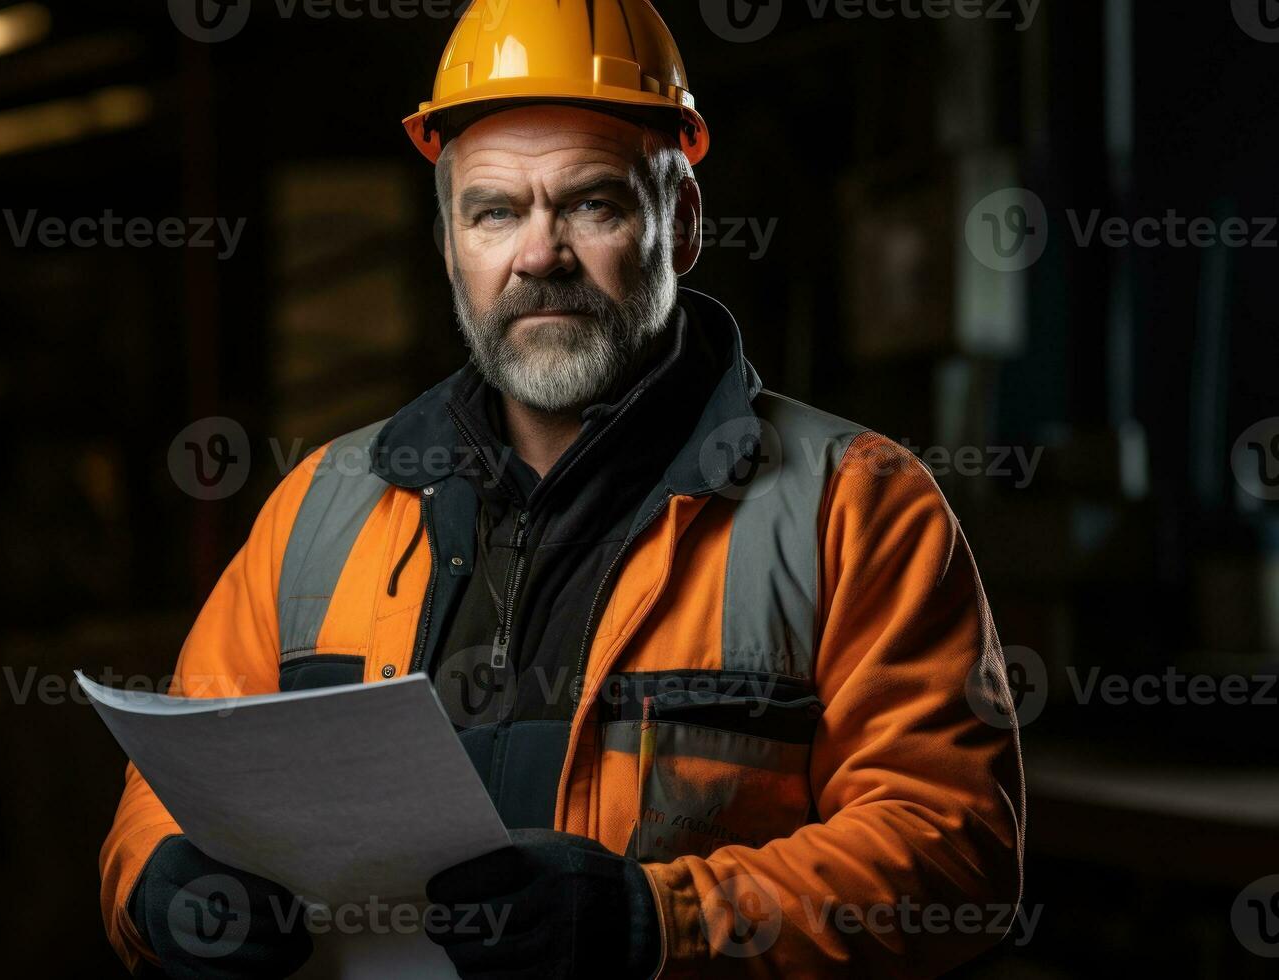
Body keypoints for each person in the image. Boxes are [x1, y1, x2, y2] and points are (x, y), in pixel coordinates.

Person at [99, 2, 1025, 977]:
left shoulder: (859, 506)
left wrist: (656, 921)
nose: (539, 255)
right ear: (451, 243)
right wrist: (159, 886)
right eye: (494, 211)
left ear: (685, 221)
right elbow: (180, 775)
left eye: (593, 203)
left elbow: (955, 847)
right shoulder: (319, 506)